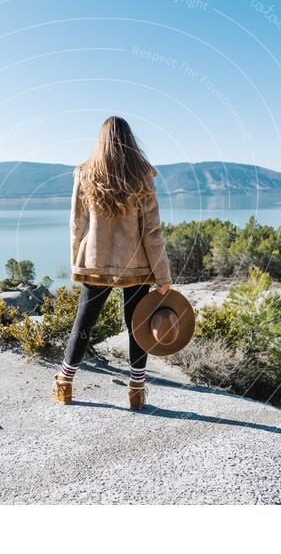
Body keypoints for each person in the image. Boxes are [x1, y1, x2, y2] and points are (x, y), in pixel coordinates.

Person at [53, 116, 172, 411]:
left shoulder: (85, 174)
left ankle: (65, 384)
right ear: (130, 141)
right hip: (138, 265)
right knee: (138, 325)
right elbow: (152, 231)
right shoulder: (143, 175)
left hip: (96, 262)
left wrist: (76, 263)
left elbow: (76, 225)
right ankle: (136, 390)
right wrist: (163, 274)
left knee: (84, 322)